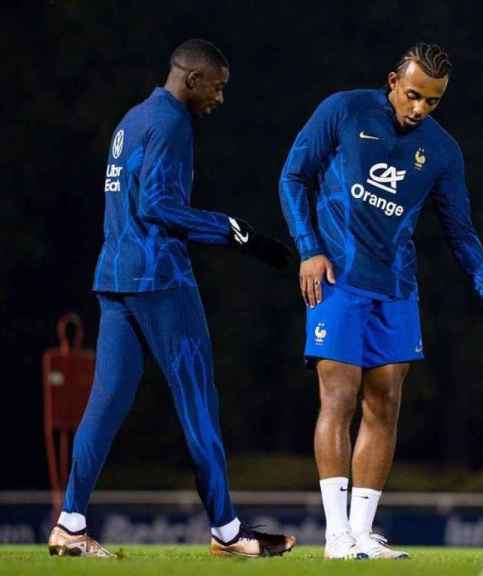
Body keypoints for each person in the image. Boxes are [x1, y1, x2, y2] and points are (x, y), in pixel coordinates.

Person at [48, 38, 296, 558]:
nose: (220, 99)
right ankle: (227, 532)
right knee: (198, 401)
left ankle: (70, 524)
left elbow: (125, 203)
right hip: (160, 281)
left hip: (114, 278)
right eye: (219, 87)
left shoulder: (130, 121)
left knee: (105, 403)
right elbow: (159, 204)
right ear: (193, 79)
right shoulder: (174, 124)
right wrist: (235, 231)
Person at [278, 42, 483, 559]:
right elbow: (292, 176)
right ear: (391, 81)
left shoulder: (443, 151)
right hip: (337, 277)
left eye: (432, 102)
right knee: (337, 399)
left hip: (397, 288)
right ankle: (336, 535)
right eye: (412, 96)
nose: (419, 109)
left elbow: (460, 228)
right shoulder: (343, 110)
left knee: (384, 405)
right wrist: (309, 249)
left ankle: (362, 534)